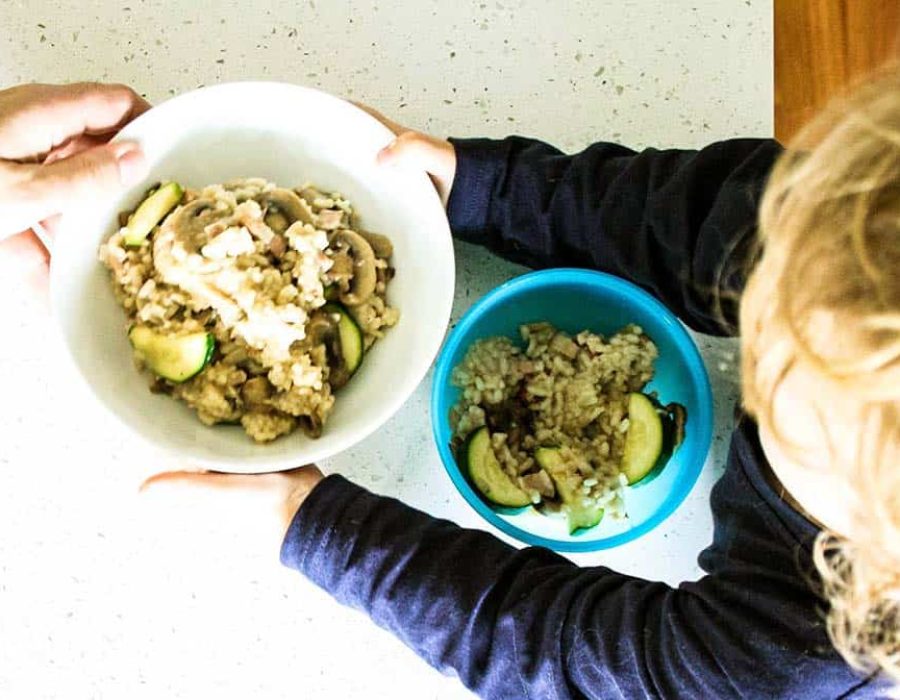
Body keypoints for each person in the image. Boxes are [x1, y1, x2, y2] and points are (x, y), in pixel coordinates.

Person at [3, 69, 898, 698]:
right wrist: (481, 188)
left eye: (792, 402)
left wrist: (316, 528)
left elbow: (576, 657)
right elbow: (696, 218)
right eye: (767, 306)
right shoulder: (856, 227)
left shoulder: (794, 658)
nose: (754, 350)